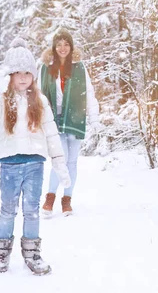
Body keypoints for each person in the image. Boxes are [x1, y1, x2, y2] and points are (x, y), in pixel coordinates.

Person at [0, 38, 71, 274]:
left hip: (34, 163)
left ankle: (32, 254)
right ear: (9, 75)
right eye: (17, 72)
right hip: (10, 164)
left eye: (27, 73)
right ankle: (1, 253)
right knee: (8, 210)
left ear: (33, 75)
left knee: (32, 210)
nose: (23, 77)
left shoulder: (40, 101)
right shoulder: (2, 100)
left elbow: (52, 134)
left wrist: (60, 164)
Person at [39, 28, 100, 217]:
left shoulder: (80, 67)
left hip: (75, 118)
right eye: (59, 44)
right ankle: (49, 199)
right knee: (60, 160)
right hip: (54, 119)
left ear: (71, 46)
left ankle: (67, 201)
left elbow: (88, 92)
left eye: (66, 44)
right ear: (54, 47)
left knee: (72, 162)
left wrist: (94, 117)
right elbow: (37, 94)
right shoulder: (45, 67)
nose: (63, 48)